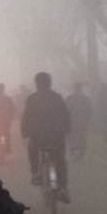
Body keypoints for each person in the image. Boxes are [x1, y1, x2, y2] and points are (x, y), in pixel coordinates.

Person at [21, 72, 71, 202]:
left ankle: (35, 173)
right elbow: (66, 115)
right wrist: (67, 129)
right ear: (50, 83)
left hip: (38, 137)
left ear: (36, 84)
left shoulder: (32, 98)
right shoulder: (57, 97)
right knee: (60, 160)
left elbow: (26, 117)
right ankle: (63, 187)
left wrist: (24, 131)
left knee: (32, 149)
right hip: (56, 137)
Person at [66, 83, 92, 158]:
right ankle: (81, 152)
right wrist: (88, 120)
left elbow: (65, 111)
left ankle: (73, 151)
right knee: (82, 136)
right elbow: (90, 111)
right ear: (81, 89)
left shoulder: (69, 98)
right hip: (83, 121)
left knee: (72, 137)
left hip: (72, 121)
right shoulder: (86, 98)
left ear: (74, 88)